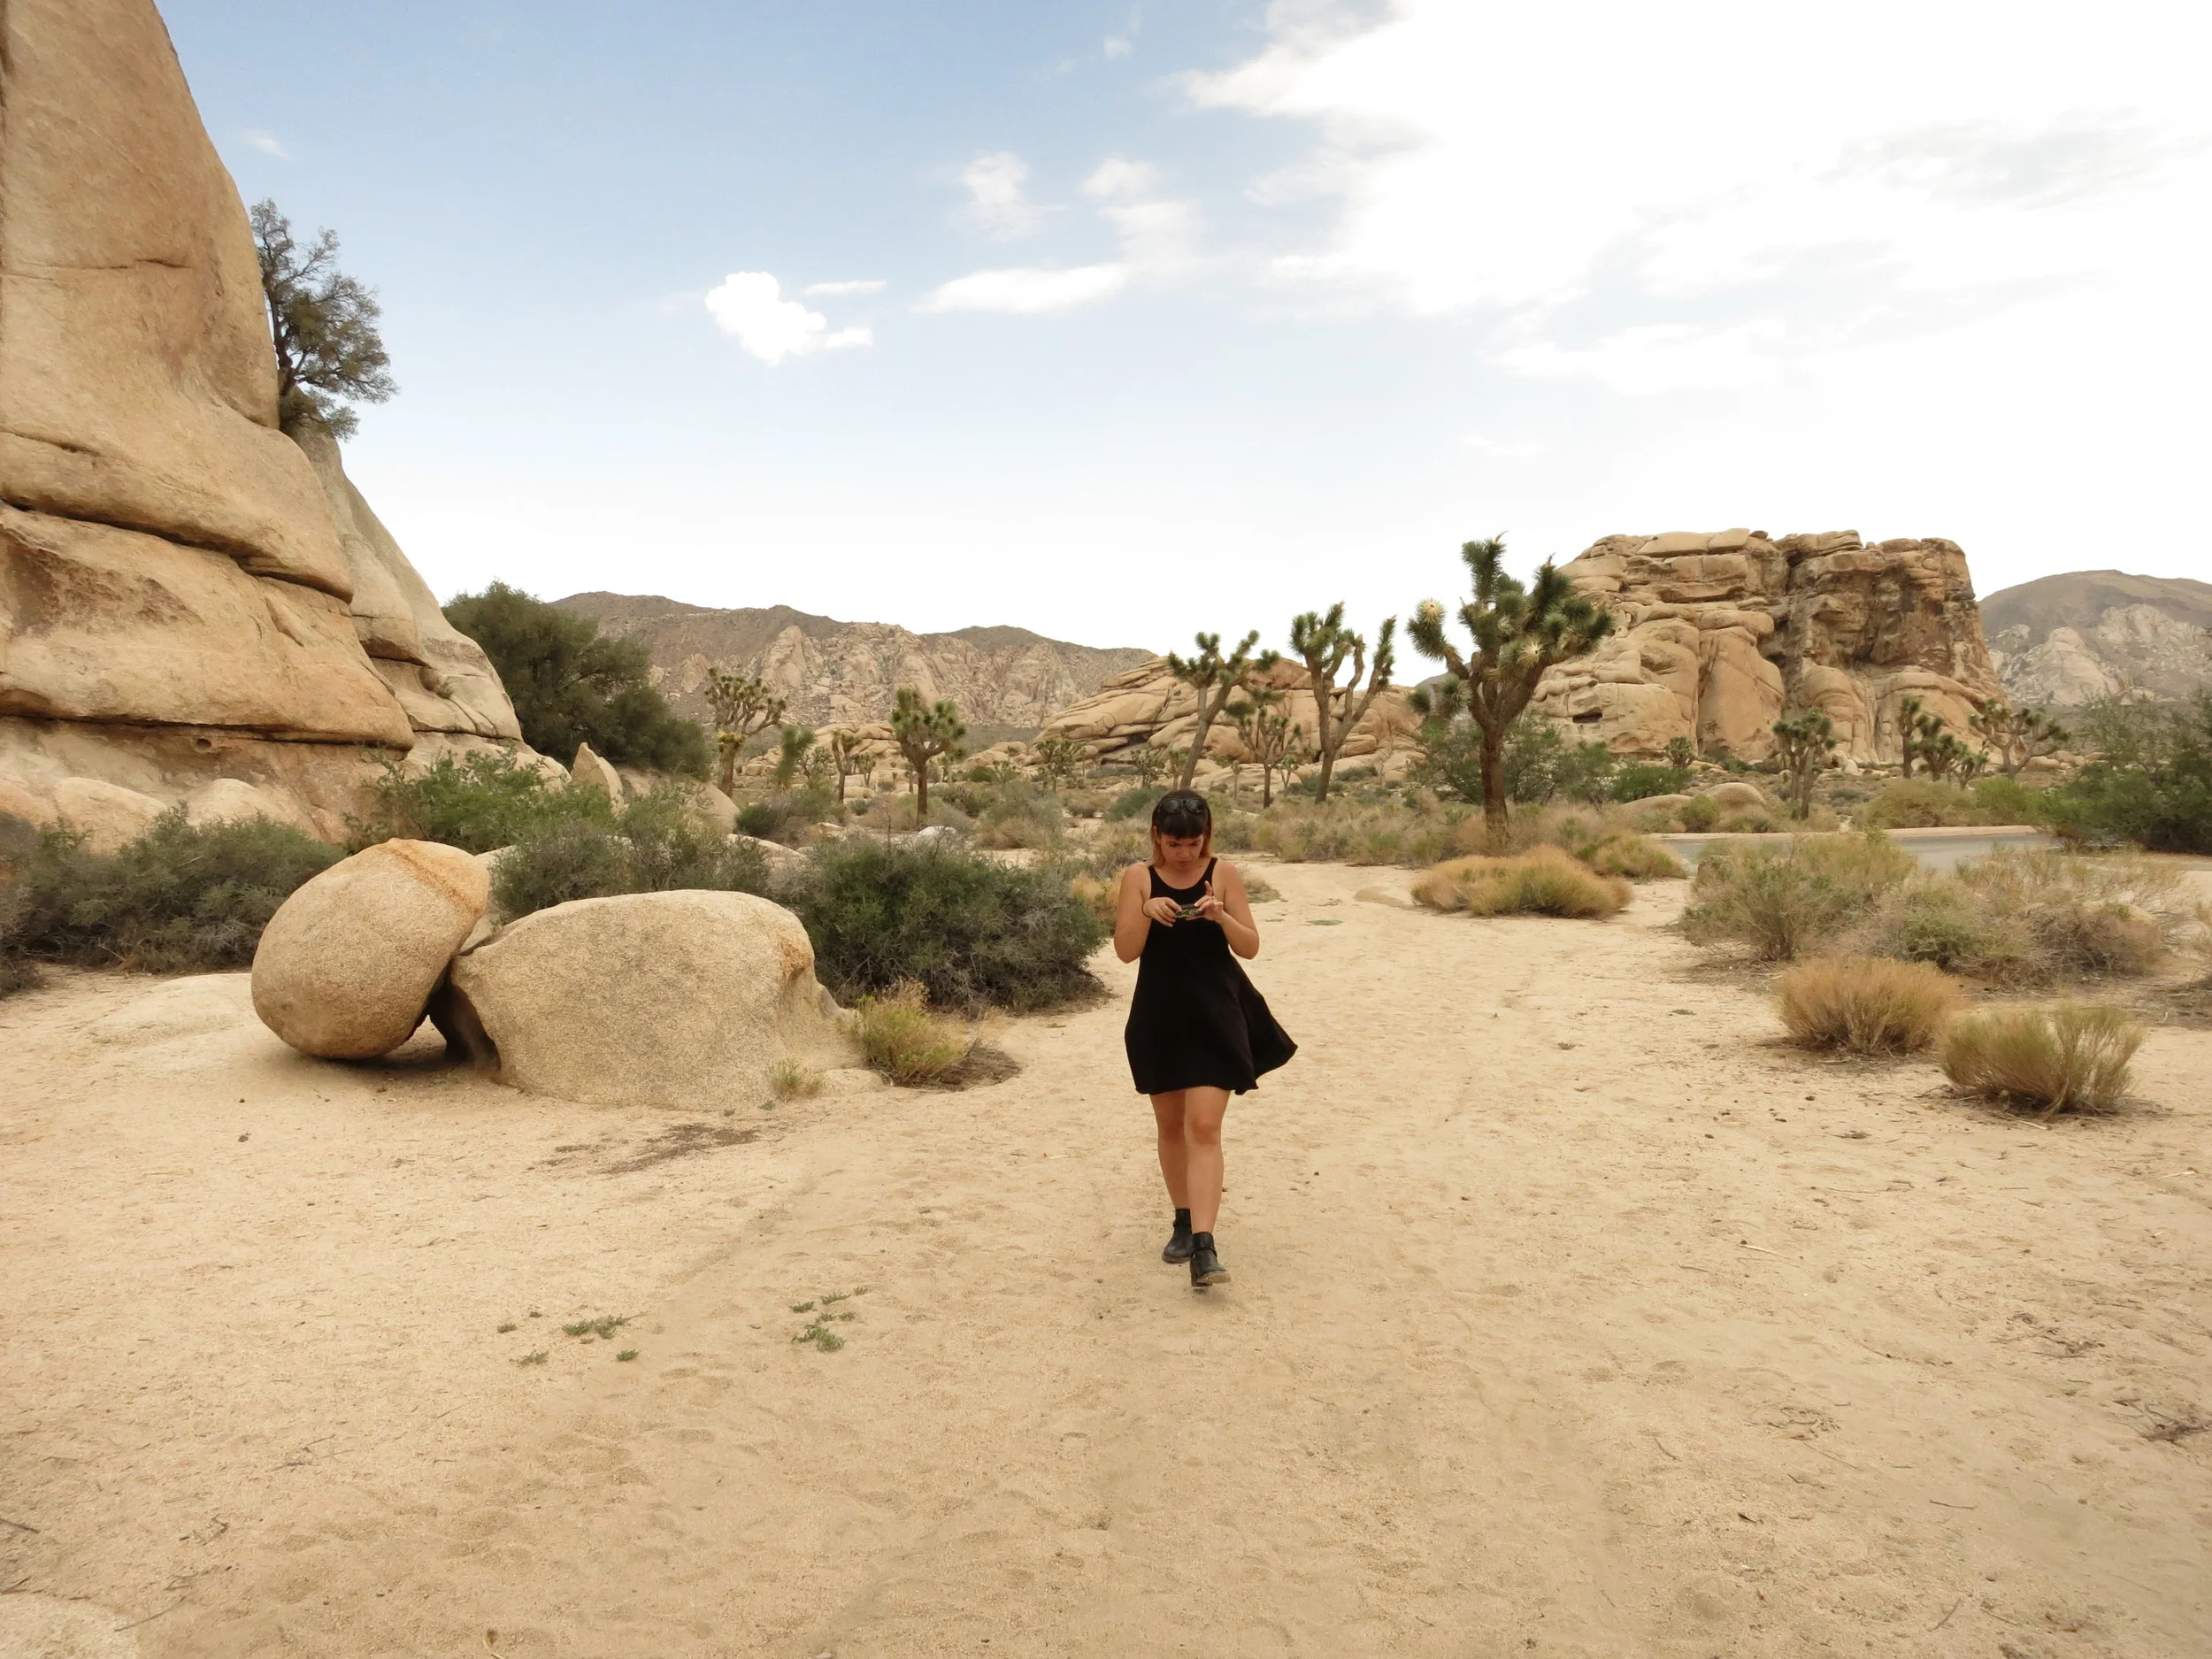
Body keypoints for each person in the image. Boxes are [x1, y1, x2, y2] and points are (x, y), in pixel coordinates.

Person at [1115, 788, 1296, 1289]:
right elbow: (1125, 952)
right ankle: (1182, 1217)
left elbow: (1251, 946)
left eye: (1193, 843)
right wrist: (1147, 911)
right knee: (1172, 1127)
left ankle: (1204, 1246)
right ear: (1157, 836)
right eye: (1174, 843)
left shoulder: (1225, 873)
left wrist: (1221, 916)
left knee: (1204, 1125)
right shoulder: (1137, 878)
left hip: (1217, 1015)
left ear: (1206, 836)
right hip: (1159, 1017)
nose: (1184, 853)